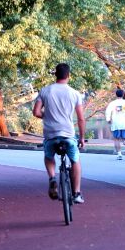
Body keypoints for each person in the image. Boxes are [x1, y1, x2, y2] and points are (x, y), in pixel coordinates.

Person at [32, 63, 86, 204]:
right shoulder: (75, 94)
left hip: (51, 134)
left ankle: (52, 178)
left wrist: (47, 115)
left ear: (55, 75)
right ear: (68, 75)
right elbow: (81, 119)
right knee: (75, 160)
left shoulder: (45, 91)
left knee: (49, 156)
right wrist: (82, 138)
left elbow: (36, 112)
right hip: (68, 134)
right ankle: (77, 193)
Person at [105, 89, 125, 160]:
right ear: (123, 94)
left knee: (116, 139)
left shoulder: (112, 103)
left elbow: (107, 112)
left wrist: (108, 119)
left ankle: (119, 154)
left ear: (116, 95)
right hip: (124, 123)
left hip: (115, 123)